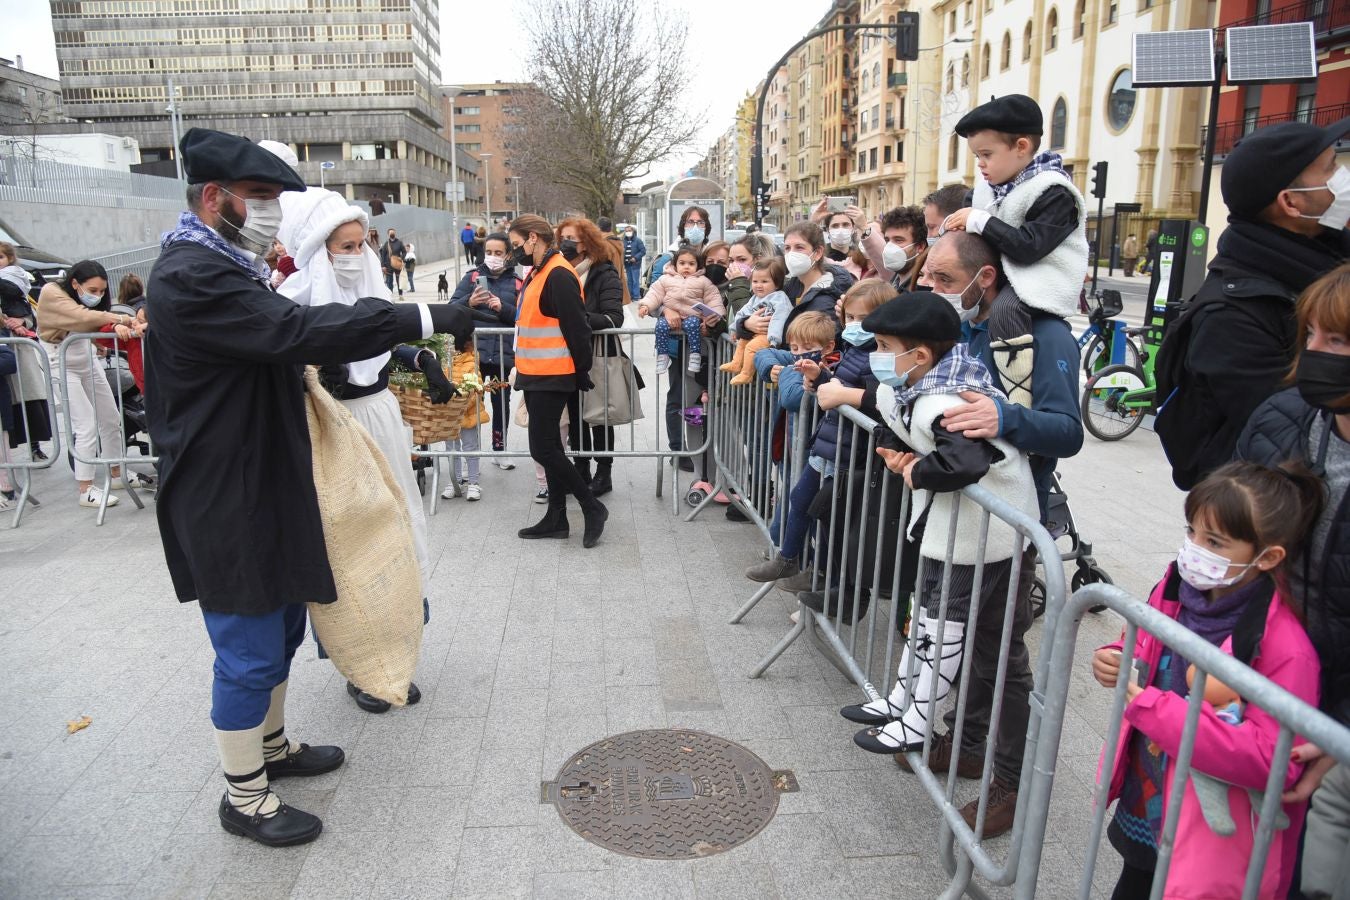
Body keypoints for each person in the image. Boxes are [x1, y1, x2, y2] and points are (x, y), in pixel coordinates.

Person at [144, 128, 474, 847]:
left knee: (284, 627)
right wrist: (419, 315)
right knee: (249, 649)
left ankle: (272, 749)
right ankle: (245, 797)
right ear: (213, 197)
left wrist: (407, 345)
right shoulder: (192, 276)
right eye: (259, 197)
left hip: (264, 477)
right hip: (225, 493)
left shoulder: (226, 264)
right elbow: (295, 329)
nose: (270, 211)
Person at [892, 230, 1082, 836]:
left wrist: (1007, 417)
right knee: (963, 638)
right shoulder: (967, 330)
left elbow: (1067, 432)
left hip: (1012, 522)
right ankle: (968, 744)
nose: (933, 291)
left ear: (986, 279)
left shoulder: (1042, 333)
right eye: (929, 279)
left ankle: (1011, 782)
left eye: (944, 281)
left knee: (1000, 653)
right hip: (964, 521)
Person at [1091, 461, 1323, 900]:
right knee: (1135, 883)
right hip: (1148, 796)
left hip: (1212, 830)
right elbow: (1143, 642)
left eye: (1214, 541)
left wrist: (1158, 711)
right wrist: (1119, 657)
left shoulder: (1284, 647)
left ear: (1267, 556)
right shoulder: (1177, 585)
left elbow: (1275, 759)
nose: (1195, 549)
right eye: (1192, 532)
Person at [275, 187, 455, 712]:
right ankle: (359, 663)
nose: (356, 255)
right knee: (348, 540)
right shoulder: (291, 301)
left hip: (380, 415)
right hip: (329, 425)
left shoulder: (371, 284)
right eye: (343, 246)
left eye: (361, 244)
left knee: (397, 525)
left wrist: (422, 359)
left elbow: (377, 330)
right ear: (317, 250)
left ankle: (400, 646)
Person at [844, 292, 1036, 756]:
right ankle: (903, 699)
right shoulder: (911, 387)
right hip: (952, 526)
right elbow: (898, 424)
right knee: (928, 614)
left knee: (943, 621)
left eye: (884, 346)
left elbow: (965, 460)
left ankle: (920, 718)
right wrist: (899, 452)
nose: (876, 357)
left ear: (921, 356)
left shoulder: (947, 399)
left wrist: (916, 470)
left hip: (984, 533)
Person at [1154, 116, 1350, 490]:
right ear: (1290, 202)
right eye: (1330, 167)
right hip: (1272, 510)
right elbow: (1292, 439)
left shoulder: (1325, 260)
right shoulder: (1232, 316)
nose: (1341, 177)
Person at [1235, 263, 1350, 898]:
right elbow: (1223, 533)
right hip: (1268, 689)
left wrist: (1339, 732)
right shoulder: (1286, 417)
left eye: (1337, 341)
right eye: (1310, 335)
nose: (1315, 354)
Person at [942, 94, 1089, 323]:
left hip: (1040, 278)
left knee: (1006, 310)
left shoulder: (1054, 192)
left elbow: (1029, 248)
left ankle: (1015, 358)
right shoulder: (983, 191)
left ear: (1021, 146)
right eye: (977, 155)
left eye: (987, 154)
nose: (980, 163)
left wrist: (982, 222)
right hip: (998, 274)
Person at [508, 214, 608, 548]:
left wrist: (581, 371)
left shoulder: (558, 273)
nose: (514, 252)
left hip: (553, 374)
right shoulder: (540, 271)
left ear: (533, 238)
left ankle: (592, 508)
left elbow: (577, 327)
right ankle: (557, 517)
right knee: (547, 446)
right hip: (537, 373)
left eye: (516, 244)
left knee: (543, 447)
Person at [36, 261, 150, 508]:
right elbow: (81, 317)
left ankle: (116, 473)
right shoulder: (52, 292)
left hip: (85, 357)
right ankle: (85, 488)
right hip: (60, 361)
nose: (97, 296)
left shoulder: (84, 299)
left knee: (111, 418)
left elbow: (93, 323)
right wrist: (121, 318)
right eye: (92, 290)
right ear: (75, 283)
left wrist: (110, 332)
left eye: (101, 291)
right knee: (85, 424)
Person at [558, 216, 629, 498]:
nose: (565, 245)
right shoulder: (559, 271)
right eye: (562, 238)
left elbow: (614, 317)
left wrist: (576, 318)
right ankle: (580, 468)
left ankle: (604, 472)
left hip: (599, 355)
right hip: (567, 356)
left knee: (599, 417)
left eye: (571, 239)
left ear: (587, 243)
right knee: (575, 416)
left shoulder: (604, 273)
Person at [450, 232, 519, 469]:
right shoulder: (471, 278)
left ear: (508, 255)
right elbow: (451, 309)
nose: (492, 257)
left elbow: (523, 318)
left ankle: (500, 449)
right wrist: (469, 302)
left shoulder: (518, 283)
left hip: (502, 355)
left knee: (501, 405)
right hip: (474, 356)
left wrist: (503, 308)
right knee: (471, 405)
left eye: (498, 253)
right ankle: (472, 453)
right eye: (488, 252)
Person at [0, 242, 52, 462]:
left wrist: (21, 320)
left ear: (10, 259)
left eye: (0, 257)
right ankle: (6, 455)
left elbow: (31, 314)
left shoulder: (17, 285)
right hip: (4, 350)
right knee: (7, 401)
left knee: (28, 398)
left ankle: (35, 446)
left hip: (20, 348)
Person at [637, 247, 724, 375]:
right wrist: (646, 306)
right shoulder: (665, 279)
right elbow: (654, 294)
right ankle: (662, 355)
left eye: (691, 264)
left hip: (691, 317)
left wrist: (717, 315)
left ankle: (695, 354)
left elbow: (713, 299)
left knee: (693, 323)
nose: (686, 267)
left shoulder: (704, 281)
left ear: (698, 265)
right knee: (660, 326)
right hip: (669, 318)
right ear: (675, 264)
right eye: (682, 263)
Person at [722, 258, 790, 384]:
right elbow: (742, 313)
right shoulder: (754, 298)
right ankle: (736, 363)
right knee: (742, 342)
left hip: (767, 335)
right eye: (755, 281)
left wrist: (774, 340)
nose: (758, 285)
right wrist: (734, 328)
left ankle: (746, 374)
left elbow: (779, 319)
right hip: (755, 332)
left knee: (751, 347)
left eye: (764, 281)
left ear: (776, 284)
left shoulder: (779, 298)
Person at [861, 206, 928, 292]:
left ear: (920, 247)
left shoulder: (922, 289)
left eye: (898, 240)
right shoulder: (893, 283)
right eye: (887, 240)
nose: (890, 246)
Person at [622, 224, 646, 301]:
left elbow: (643, 251)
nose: (628, 232)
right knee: (629, 281)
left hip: (635, 264)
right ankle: (630, 296)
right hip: (627, 264)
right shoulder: (623, 241)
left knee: (635, 280)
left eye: (629, 230)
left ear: (632, 231)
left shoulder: (638, 240)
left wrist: (635, 258)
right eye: (626, 231)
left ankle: (636, 296)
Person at [382, 228, 405, 295]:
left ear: (395, 233)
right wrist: (383, 265)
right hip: (388, 265)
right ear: (388, 234)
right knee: (389, 281)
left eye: (393, 232)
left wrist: (401, 258)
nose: (392, 234)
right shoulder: (386, 244)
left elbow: (404, 252)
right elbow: (383, 255)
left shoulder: (399, 242)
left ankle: (400, 294)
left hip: (397, 264)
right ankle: (390, 295)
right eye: (390, 233)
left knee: (399, 281)